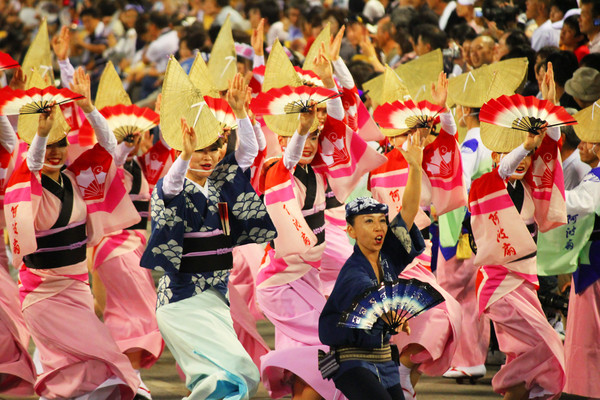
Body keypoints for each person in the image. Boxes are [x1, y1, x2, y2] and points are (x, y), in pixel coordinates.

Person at [3, 67, 140, 399]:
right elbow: (31, 162)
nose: (55, 151)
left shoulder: (77, 178)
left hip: (77, 286)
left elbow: (109, 148)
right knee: (101, 357)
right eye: (49, 145)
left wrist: (90, 107)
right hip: (43, 293)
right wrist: (40, 134)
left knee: (87, 367)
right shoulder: (26, 182)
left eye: (61, 144)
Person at [140, 73, 276, 400]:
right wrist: (184, 155)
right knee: (228, 373)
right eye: (200, 150)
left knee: (236, 374)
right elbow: (171, 187)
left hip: (214, 297)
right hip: (182, 301)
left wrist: (241, 112)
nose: (209, 156)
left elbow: (249, 152)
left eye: (214, 147)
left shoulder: (220, 185)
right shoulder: (172, 188)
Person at [469, 76, 567, 398]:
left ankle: (520, 388)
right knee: (547, 342)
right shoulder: (486, 187)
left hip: (524, 281)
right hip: (499, 285)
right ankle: (511, 383)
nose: (524, 160)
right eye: (514, 154)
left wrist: (550, 113)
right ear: (497, 157)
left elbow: (549, 152)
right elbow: (503, 171)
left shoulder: (528, 189)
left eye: (527, 154)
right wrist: (523, 145)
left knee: (523, 354)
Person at [319, 182, 426, 400]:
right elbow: (368, 298)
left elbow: (408, 212)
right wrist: (389, 314)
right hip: (351, 361)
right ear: (351, 230)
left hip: (384, 360)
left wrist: (415, 167)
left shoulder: (387, 258)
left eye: (382, 221)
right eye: (369, 222)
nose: (379, 227)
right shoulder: (353, 273)